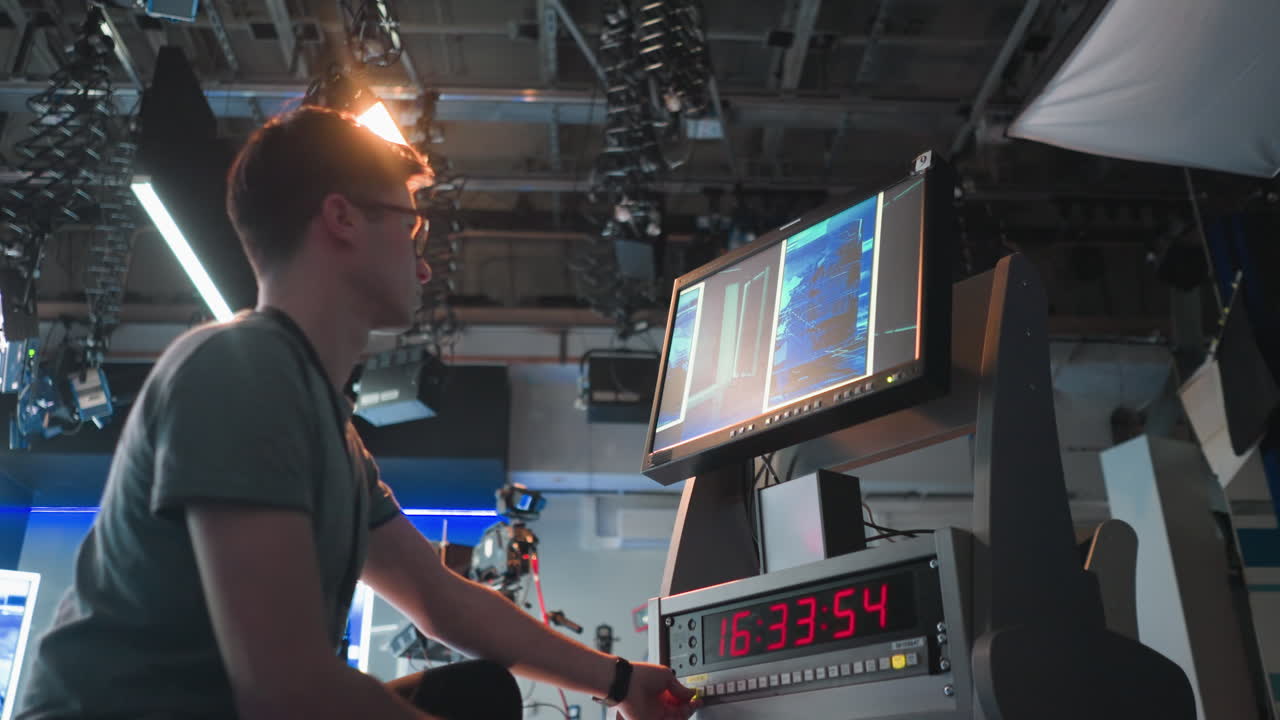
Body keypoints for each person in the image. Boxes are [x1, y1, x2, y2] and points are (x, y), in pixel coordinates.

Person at [16, 106, 700, 720]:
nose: (423, 265)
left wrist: (617, 680)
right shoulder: (240, 371)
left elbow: (443, 603)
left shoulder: (323, 422)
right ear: (341, 218)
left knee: (481, 696)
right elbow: (288, 692)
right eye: (413, 226)